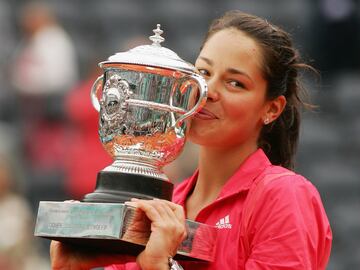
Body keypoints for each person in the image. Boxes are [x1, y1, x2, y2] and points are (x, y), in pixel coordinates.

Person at [50, 10, 332, 270]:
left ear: (271, 108)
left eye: (235, 83)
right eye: (204, 73)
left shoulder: (283, 196)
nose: (208, 91)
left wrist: (163, 266)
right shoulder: (160, 204)